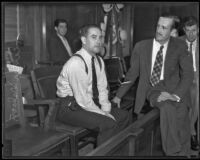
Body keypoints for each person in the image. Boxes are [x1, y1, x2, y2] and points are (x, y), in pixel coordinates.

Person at [112, 13, 194, 156]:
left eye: (164, 27)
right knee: (166, 105)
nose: (159, 30)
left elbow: (188, 74)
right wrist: (119, 95)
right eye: (158, 26)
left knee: (182, 118)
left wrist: (175, 95)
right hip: (153, 88)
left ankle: (184, 152)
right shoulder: (141, 47)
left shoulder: (179, 46)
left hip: (175, 88)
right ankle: (173, 151)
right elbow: (132, 74)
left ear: (172, 31)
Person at [56, 24, 130, 145]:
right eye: (94, 37)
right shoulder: (75, 63)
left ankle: (116, 151)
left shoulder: (98, 60)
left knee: (124, 116)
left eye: (100, 37)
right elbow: (82, 100)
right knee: (108, 124)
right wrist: (104, 115)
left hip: (88, 101)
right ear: (84, 40)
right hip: (69, 107)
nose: (98, 41)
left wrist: (106, 109)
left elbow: (102, 88)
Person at [180, 16, 199, 151]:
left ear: (198, 30)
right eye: (188, 30)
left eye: (194, 30)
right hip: (183, 79)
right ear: (184, 30)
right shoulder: (177, 43)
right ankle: (192, 133)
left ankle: (191, 132)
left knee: (197, 93)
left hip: (198, 78)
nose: (191, 34)